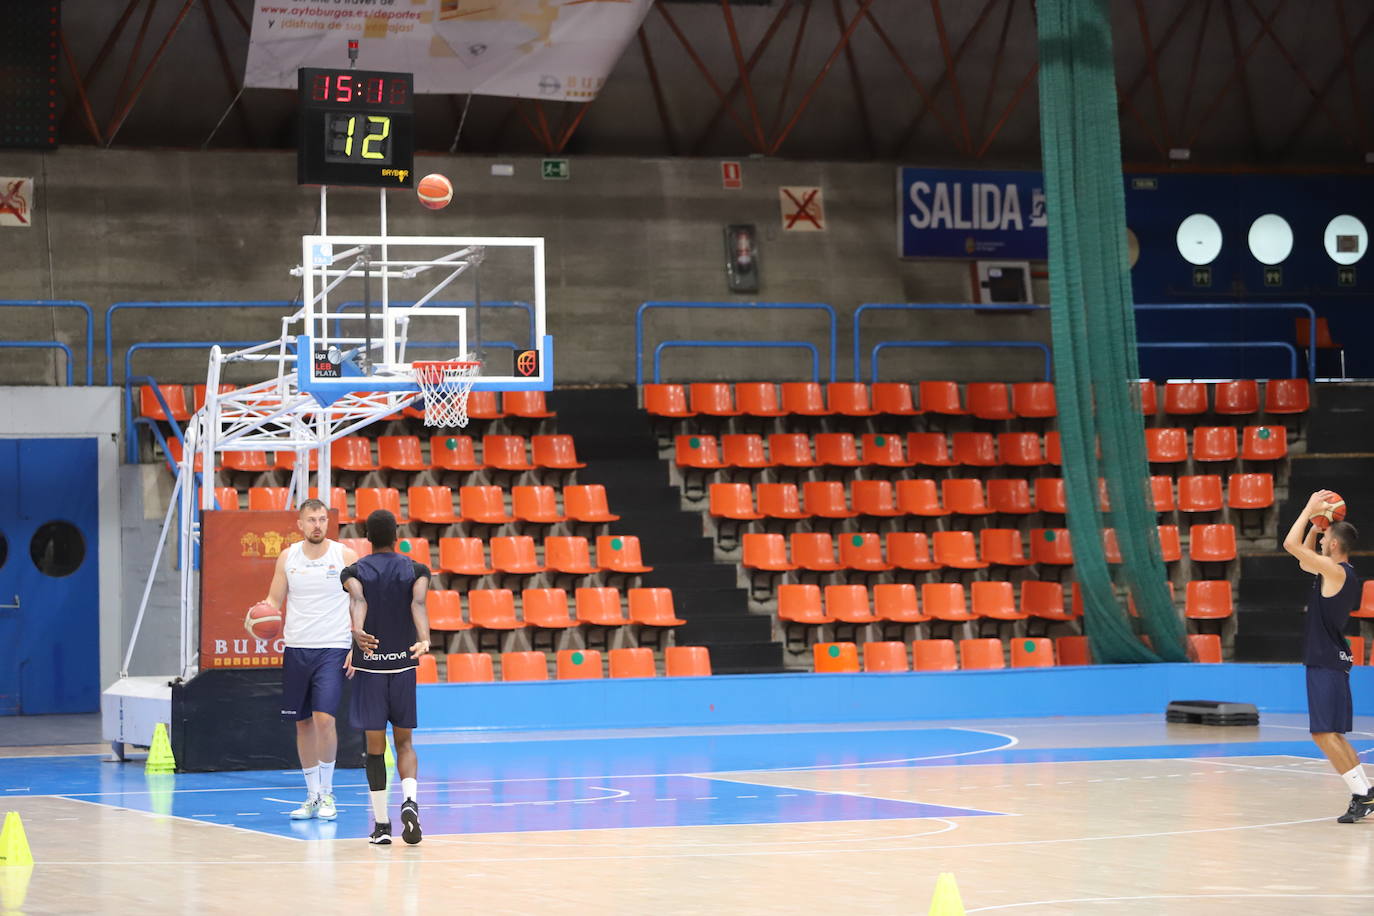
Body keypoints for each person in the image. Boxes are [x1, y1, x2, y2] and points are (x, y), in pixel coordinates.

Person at [340, 509, 431, 845]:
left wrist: (358, 630)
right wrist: (424, 638)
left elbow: (358, 598)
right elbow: (418, 604)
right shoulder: (416, 569)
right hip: (404, 668)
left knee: (375, 750)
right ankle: (410, 801)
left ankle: (381, 825)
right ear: (397, 534)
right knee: (404, 744)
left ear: (367, 536)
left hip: (370, 670)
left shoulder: (354, 571)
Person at [262, 498, 356, 821]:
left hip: (333, 648)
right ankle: (312, 796)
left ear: (328, 523)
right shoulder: (287, 557)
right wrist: (257, 617)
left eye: (322, 519)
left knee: (324, 720)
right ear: (300, 524)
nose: (317, 524)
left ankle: (328, 793)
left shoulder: (344, 556)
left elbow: (360, 602)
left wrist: (357, 643)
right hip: (297, 649)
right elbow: (273, 601)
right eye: (311, 520)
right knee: (302, 723)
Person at [1281, 490, 1365, 822]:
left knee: (1322, 733)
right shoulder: (1339, 573)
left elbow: (1290, 545)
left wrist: (1308, 509)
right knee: (1333, 734)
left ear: (1333, 546)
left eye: (1324, 537)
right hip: (1333, 659)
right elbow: (1302, 556)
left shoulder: (1335, 571)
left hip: (1326, 660)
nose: (1319, 542)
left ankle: (1362, 794)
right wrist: (1319, 525)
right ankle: (1365, 793)